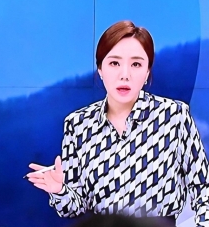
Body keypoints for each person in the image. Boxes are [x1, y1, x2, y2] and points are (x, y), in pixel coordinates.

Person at [26, 20, 209, 225]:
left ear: (148, 71)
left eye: (136, 64)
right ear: (100, 70)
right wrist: (59, 190)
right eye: (114, 63)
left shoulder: (174, 116)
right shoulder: (78, 125)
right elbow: (74, 208)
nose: (125, 75)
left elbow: (203, 189)